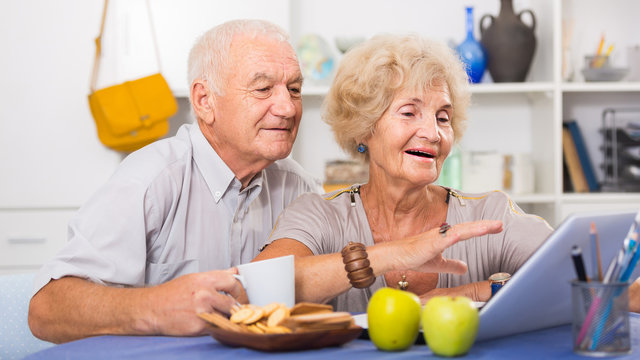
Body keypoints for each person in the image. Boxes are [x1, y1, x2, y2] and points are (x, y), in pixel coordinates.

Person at [28, 19, 322, 343]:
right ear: (204, 101)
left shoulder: (300, 187)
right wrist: (156, 306)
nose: (287, 108)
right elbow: (46, 310)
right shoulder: (149, 180)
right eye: (263, 89)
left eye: (294, 89)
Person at [254, 34, 553, 313]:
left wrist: (474, 293)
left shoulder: (490, 216)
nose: (433, 134)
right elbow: (255, 290)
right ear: (363, 128)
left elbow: (582, 275)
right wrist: (394, 254)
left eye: (443, 117)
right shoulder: (318, 216)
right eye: (409, 112)